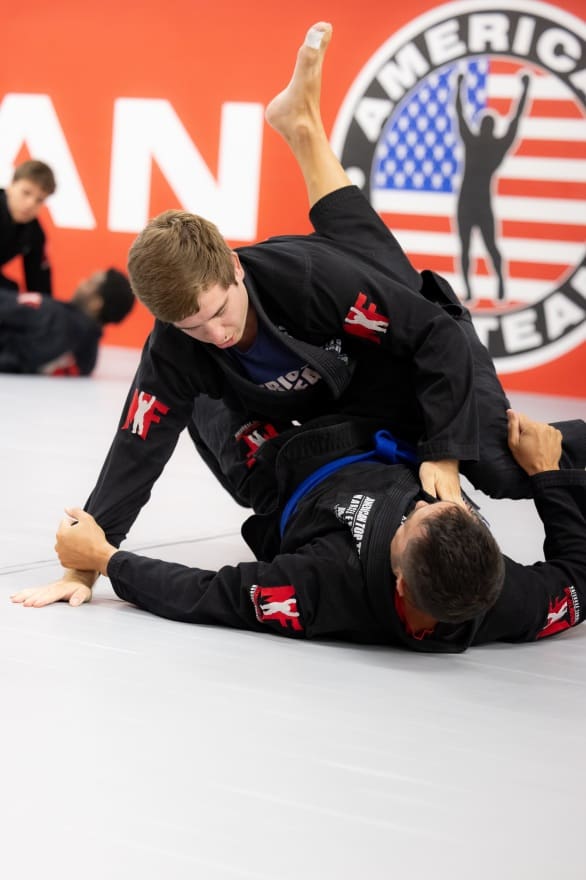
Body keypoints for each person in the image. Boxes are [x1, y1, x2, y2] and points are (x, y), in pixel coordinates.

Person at [9, 21, 586, 605]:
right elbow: (139, 443)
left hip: (406, 360)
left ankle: (305, 127)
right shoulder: (180, 343)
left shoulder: (303, 280)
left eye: (217, 312)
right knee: (265, 467)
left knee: (497, 468)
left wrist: (442, 448)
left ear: (234, 268)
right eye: (193, 329)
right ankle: (301, 124)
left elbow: (434, 337)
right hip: (338, 398)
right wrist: (85, 564)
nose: (216, 334)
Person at [13, 408, 586, 655]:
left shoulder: (320, 589)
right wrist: (550, 478)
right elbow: (579, 578)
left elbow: (204, 595)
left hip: (286, 462)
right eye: (452, 508)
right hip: (391, 421)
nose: (429, 503)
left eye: (414, 519)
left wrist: (107, 558)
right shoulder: (506, 599)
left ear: (403, 588)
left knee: (188, 357)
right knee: (553, 442)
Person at [455, 71, 531, 301]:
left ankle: (496, 283)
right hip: (470, 203)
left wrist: (459, 88)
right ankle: (472, 289)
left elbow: (461, 114)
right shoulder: (489, 146)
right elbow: (514, 121)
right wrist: (524, 90)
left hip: (472, 202)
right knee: (473, 247)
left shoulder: (479, 144)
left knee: (484, 247)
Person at [0, 269, 135, 375]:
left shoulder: (50, 315)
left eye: (89, 282)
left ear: (96, 304)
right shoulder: (87, 362)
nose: (81, 282)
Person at [0, 160, 56, 296]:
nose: (30, 204)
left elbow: (39, 284)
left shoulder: (34, 233)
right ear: (11, 186)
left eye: (39, 200)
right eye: (26, 193)